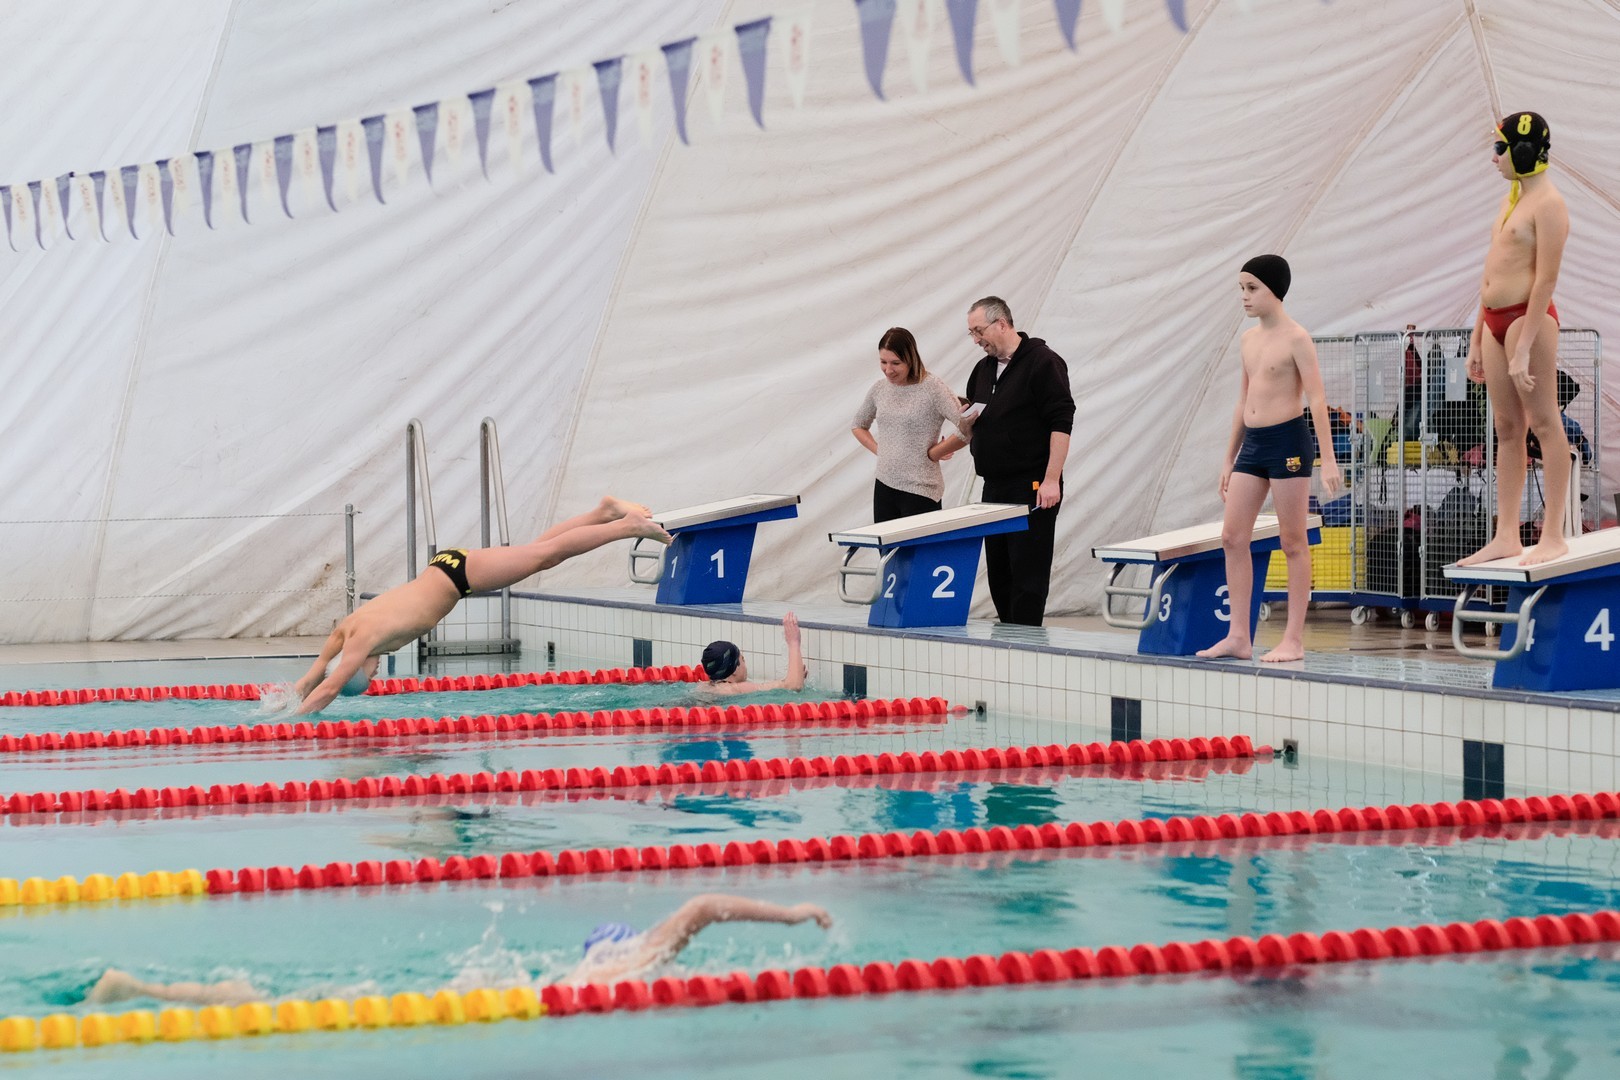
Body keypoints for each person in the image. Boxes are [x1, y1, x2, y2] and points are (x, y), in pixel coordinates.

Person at [83, 894, 834, 1005]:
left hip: (488, 992)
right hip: (491, 998)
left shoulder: (593, 970)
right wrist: (796, 915)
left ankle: (145, 988)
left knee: (297, 1000)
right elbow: (701, 908)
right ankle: (140, 989)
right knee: (277, 1003)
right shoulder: (629, 971)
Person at [292, 496, 671, 714]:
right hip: (447, 568)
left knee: (546, 555)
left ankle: (626, 526)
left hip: (459, 576)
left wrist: (293, 725)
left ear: (356, 668)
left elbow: (327, 690)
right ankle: (604, 513)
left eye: (367, 676)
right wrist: (284, 702)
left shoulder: (360, 644)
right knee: (538, 552)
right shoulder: (346, 631)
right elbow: (312, 680)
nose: (374, 675)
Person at [1197, 255, 1342, 663]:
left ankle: (1293, 639)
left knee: (1292, 540)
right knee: (1232, 537)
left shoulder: (1297, 338)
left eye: (1252, 288)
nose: (1244, 297)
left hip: (1288, 443)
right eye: (1241, 289)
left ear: (1274, 291)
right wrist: (1228, 458)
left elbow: (1317, 399)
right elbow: (1242, 400)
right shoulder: (1248, 340)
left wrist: (1329, 459)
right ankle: (1239, 636)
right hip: (1254, 444)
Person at [1457, 111, 1571, 567]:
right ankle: (1506, 534)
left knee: (1544, 422)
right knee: (1506, 428)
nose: (1494, 158)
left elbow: (1546, 280)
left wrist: (1522, 348)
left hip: (1529, 319)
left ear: (1523, 152)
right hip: (1493, 321)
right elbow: (1492, 272)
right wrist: (1476, 337)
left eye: (1499, 149)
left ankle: (1554, 534)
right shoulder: (1513, 200)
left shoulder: (1549, 205)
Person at [932, 296, 1074, 626]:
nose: (975, 340)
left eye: (978, 331)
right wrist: (953, 435)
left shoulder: (1043, 362)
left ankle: (1025, 640)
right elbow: (978, 417)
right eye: (971, 333)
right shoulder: (982, 370)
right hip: (994, 485)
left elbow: (1061, 421)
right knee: (999, 570)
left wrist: (1051, 479)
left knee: (1027, 571)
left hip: (1031, 484)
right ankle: (1007, 635)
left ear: (1002, 323)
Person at [850, 327, 968, 521]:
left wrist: (936, 452)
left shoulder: (932, 387)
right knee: (886, 543)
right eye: (883, 362)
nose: (888, 370)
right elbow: (858, 425)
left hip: (921, 491)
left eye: (896, 363)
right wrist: (882, 451)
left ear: (911, 359)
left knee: (921, 543)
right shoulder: (879, 389)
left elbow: (968, 428)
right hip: (884, 486)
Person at [698, 613, 806, 696]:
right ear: (734, 670)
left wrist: (795, 674)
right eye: (742, 659)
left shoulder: (703, 687)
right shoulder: (738, 689)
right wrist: (793, 642)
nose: (745, 662)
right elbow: (793, 687)